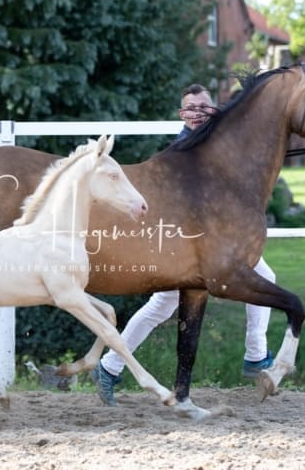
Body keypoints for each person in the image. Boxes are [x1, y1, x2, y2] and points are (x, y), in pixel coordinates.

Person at [90, 84, 275, 406]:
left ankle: (256, 355)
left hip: (216, 245)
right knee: (160, 306)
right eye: (189, 108)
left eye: (202, 107)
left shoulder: (221, 142)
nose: (195, 114)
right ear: (182, 114)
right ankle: (109, 366)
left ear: (213, 110)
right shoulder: (184, 148)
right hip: (187, 247)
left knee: (264, 279)